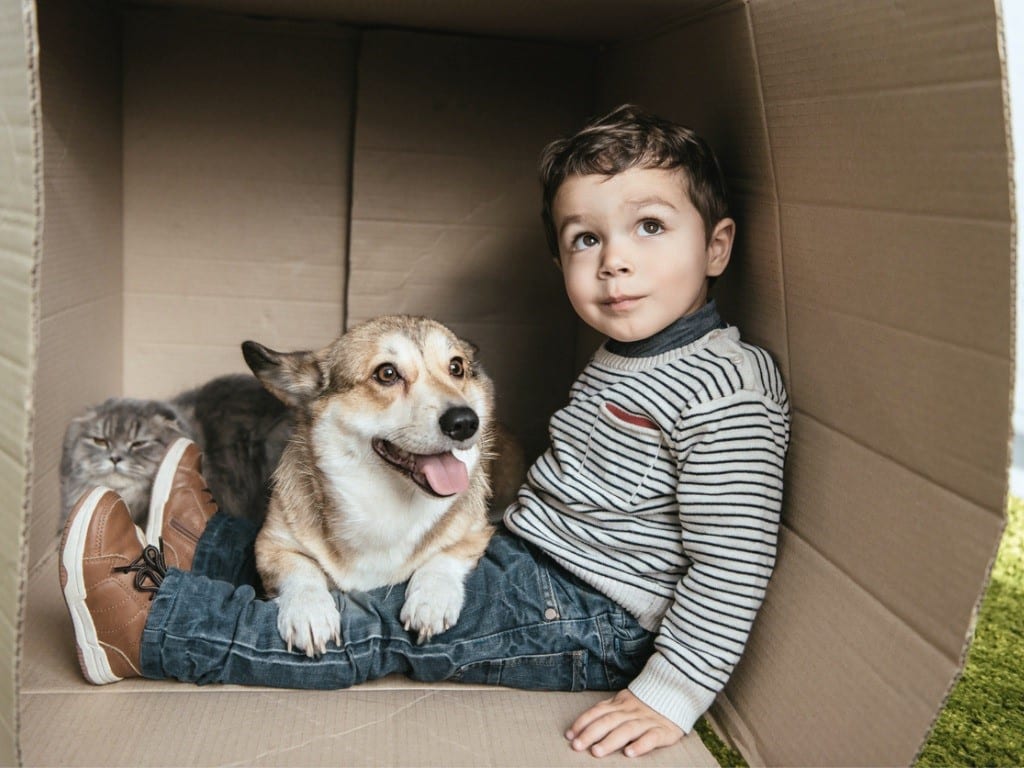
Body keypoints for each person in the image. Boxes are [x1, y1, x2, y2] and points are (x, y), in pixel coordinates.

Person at [59, 104, 790, 759]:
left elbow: (734, 564)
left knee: (375, 627)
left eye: (650, 227)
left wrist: (672, 693)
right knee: (364, 571)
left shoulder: (728, 388)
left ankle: (158, 633)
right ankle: (206, 543)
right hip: (528, 559)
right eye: (584, 240)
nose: (615, 261)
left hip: (595, 618)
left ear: (718, 247)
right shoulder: (630, 354)